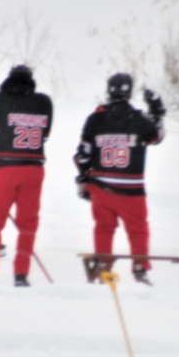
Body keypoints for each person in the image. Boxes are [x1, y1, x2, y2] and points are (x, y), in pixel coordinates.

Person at [73, 73, 165, 284]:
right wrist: (157, 113)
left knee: (104, 227)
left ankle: (104, 266)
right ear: (129, 92)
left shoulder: (96, 118)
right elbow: (157, 136)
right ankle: (140, 267)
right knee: (138, 229)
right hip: (131, 189)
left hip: (101, 186)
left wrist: (82, 179)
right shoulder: (138, 119)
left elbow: (83, 154)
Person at [0, 65, 52, 287]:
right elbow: (45, 135)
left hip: (4, 167)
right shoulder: (44, 103)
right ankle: (21, 274)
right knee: (28, 224)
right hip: (33, 169)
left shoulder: (1, 100)